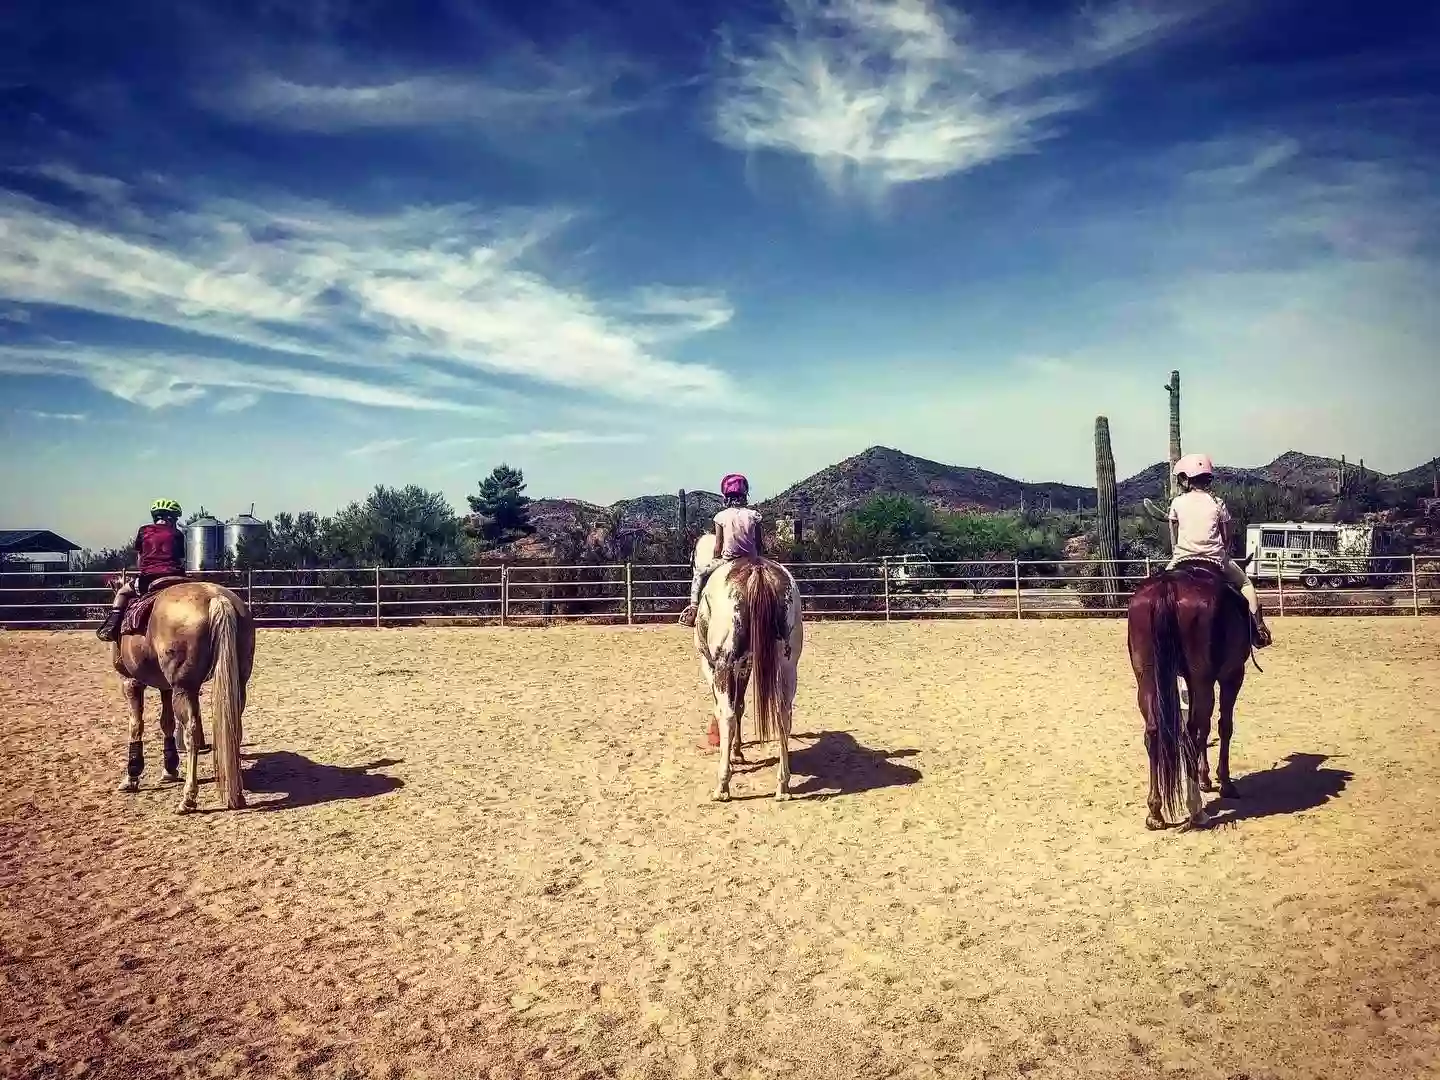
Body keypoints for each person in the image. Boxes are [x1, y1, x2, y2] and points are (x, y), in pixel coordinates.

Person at [1166, 454, 1271, 648]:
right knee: (1246, 584)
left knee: (1162, 585)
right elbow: (1226, 534)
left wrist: (1178, 550)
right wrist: (1224, 548)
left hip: (1182, 557)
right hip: (1215, 558)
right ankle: (1258, 628)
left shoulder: (1177, 502)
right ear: (1206, 478)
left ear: (1187, 478)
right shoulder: (1217, 503)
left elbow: (1173, 533)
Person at [96, 499, 188, 642]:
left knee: (122, 592)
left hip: (149, 580)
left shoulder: (144, 531)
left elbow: (140, 558)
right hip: (176, 578)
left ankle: (112, 626)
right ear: (170, 518)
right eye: (175, 519)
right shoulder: (178, 534)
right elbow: (181, 560)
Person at [678, 473, 763, 628]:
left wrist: (716, 556)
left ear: (726, 497)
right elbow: (759, 544)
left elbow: (718, 545)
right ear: (744, 495)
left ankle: (693, 610)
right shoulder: (754, 515)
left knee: (699, 574)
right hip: (752, 560)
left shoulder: (720, 516)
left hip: (729, 560)